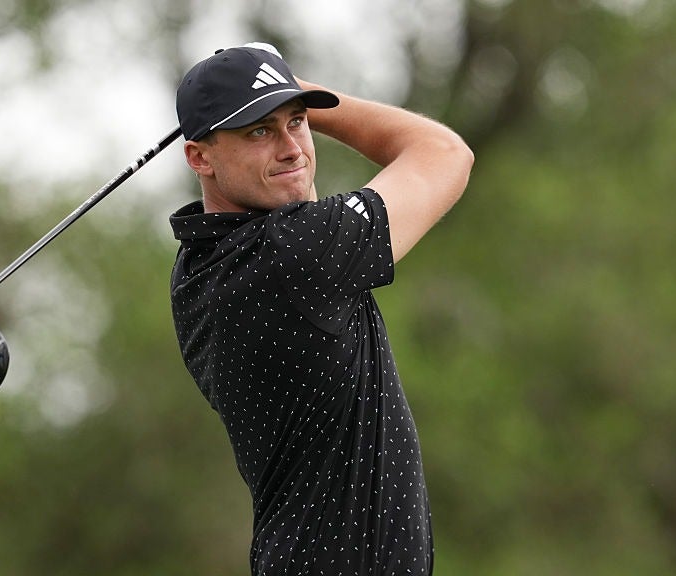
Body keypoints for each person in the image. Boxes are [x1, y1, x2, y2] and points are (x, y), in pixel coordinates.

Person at [169, 43, 473, 575]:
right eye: (259, 131)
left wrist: (274, 88)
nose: (292, 148)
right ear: (200, 157)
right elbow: (444, 153)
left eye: (298, 121)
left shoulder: (197, 268)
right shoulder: (297, 252)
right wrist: (297, 84)